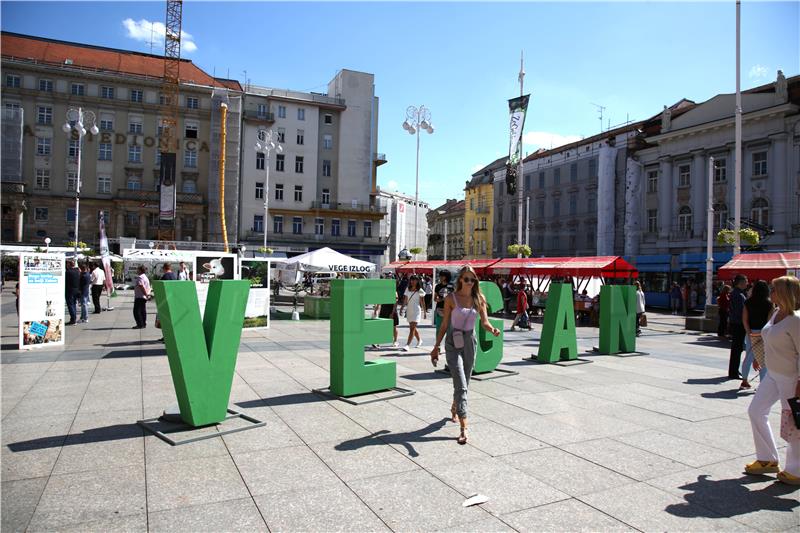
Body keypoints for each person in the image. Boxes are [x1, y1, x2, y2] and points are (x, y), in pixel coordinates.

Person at [430, 266, 501, 445]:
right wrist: (436, 346)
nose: (470, 282)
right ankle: (464, 427)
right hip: (453, 342)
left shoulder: (479, 299)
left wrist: (492, 329)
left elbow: (484, 322)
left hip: (470, 342)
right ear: (460, 280)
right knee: (461, 385)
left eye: (472, 280)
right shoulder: (450, 299)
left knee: (464, 384)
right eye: (466, 279)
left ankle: (455, 406)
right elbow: (445, 324)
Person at [745, 276, 800, 485]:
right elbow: (769, 339)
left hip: (790, 378)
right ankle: (767, 459)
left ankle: (795, 469)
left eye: (775, 289)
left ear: (786, 292)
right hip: (773, 374)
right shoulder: (777, 312)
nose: (771, 292)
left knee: (793, 422)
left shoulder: (795, 320)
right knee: (756, 411)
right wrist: (762, 359)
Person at [740, 280, 773, 389]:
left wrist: (749, 332)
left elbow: (744, 319)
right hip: (763, 333)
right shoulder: (769, 304)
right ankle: (762, 384)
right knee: (763, 359)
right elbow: (769, 321)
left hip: (751, 332)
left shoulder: (748, 302)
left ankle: (744, 380)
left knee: (748, 356)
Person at [728, 274, 749, 380]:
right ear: (740, 283)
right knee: (737, 348)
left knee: (737, 348)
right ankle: (733, 372)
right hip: (738, 324)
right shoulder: (738, 295)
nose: (747, 283)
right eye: (746, 281)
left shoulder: (737, 293)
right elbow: (741, 311)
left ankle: (734, 370)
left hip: (735, 323)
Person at [400, 275, 426, 351]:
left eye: (414, 280)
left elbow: (422, 302)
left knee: (412, 328)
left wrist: (424, 312)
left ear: (418, 281)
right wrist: (402, 308)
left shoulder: (420, 290)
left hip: (416, 310)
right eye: (411, 280)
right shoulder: (407, 289)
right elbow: (405, 300)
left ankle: (407, 345)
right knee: (412, 327)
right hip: (409, 309)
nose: (413, 281)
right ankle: (419, 340)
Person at [64, 260, 80, 325]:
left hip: (69, 290)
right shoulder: (77, 271)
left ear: (69, 265)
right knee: (73, 304)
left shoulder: (68, 272)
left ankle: (73, 319)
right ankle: (74, 318)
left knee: (70, 305)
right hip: (76, 290)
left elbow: (66, 282)